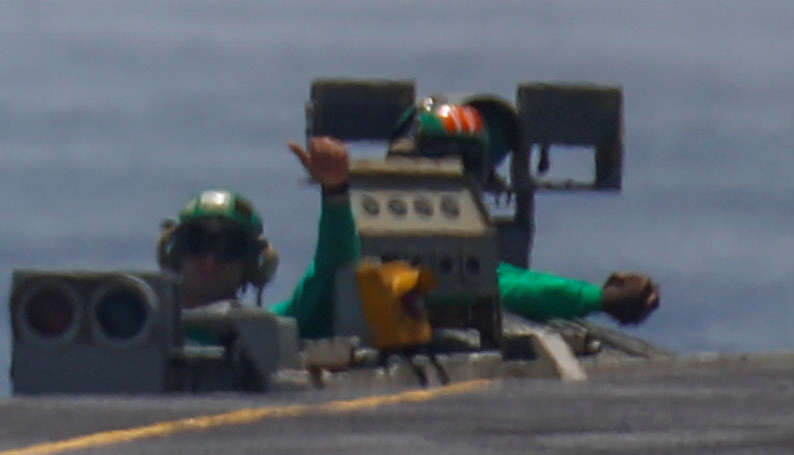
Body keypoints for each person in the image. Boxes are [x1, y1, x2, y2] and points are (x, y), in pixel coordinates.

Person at [162, 136, 664, 342]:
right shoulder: (130, 326)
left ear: (255, 265)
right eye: (197, 243)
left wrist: (336, 196)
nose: (209, 260)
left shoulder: (277, 333)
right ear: (173, 253)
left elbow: (333, 272)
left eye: (227, 247)